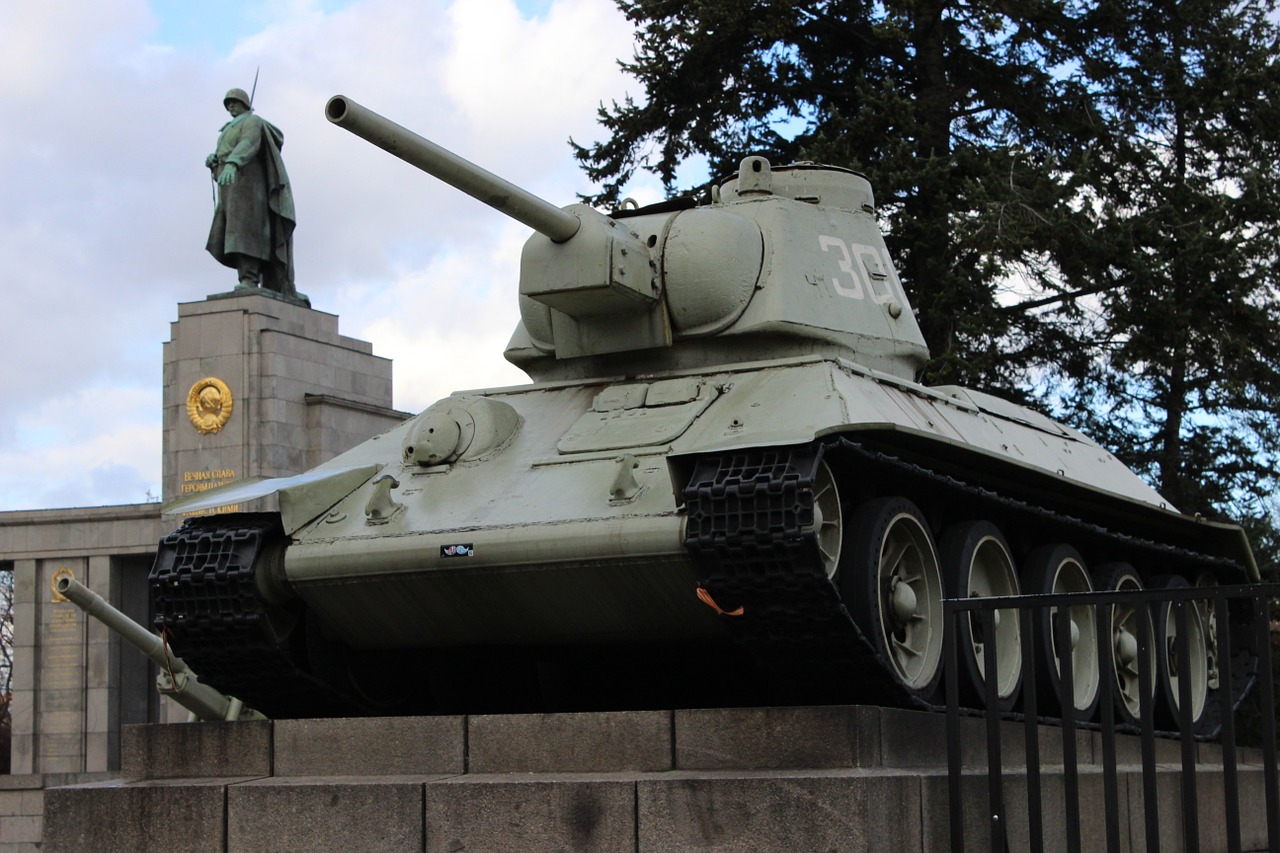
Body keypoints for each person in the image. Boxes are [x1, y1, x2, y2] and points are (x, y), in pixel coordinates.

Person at [205, 88, 304, 303]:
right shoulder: (226, 130)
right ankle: (246, 277)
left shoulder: (252, 122)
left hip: (248, 187)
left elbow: (248, 143)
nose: (231, 106)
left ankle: (249, 278)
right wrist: (216, 162)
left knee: (245, 230)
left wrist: (232, 162)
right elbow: (228, 156)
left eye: (234, 102)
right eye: (228, 103)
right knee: (232, 231)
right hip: (231, 187)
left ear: (245, 104)